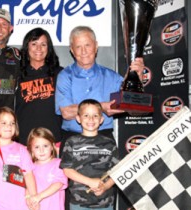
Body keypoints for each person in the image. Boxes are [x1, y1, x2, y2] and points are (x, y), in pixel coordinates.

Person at [55, 26, 145, 155]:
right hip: (73, 139)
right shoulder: (65, 76)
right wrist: (100, 107)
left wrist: (137, 77)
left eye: (87, 45)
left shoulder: (112, 77)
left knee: (107, 176)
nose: (83, 51)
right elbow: (66, 112)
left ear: (96, 46)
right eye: (78, 47)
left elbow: (135, 109)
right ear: (72, 50)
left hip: (104, 139)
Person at [60, 99, 118, 210]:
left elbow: (117, 171)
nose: (91, 119)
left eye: (95, 115)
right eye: (86, 115)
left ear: (101, 120)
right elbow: (67, 170)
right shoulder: (72, 142)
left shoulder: (109, 143)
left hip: (105, 204)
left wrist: (105, 187)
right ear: (78, 119)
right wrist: (90, 182)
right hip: (79, 204)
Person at [0, 106, 39, 210]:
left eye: (12, 123)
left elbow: (28, 175)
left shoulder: (22, 149)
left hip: (21, 208)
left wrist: (33, 198)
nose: (9, 126)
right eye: (3, 123)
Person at [15, 28, 63, 145]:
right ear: (27, 47)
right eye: (34, 44)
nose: (38, 48)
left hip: (52, 141)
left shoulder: (60, 74)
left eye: (43, 44)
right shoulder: (16, 74)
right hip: (23, 141)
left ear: (49, 48)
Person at [26, 127, 68, 210]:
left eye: (45, 146)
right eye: (37, 147)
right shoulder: (30, 167)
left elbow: (58, 184)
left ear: (52, 146)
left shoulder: (59, 164)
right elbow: (27, 188)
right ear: (31, 150)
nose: (41, 150)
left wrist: (39, 196)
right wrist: (29, 202)